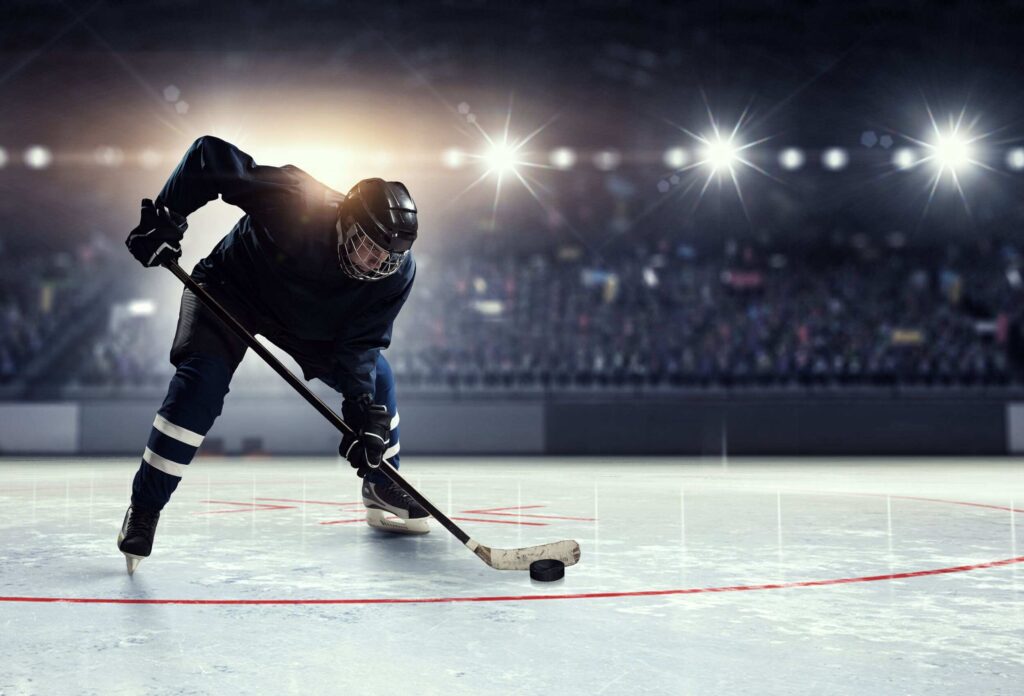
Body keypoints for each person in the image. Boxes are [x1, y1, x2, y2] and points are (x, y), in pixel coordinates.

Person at [117, 135, 428, 575]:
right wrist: (169, 215)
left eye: (389, 256)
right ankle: (144, 508)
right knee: (199, 388)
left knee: (377, 383)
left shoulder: (395, 275)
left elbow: (361, 343)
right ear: (345, 221)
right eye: (369, 246)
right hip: (231, 291)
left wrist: (360, 411)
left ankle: (383, 482)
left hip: (308, 323)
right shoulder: (297, 200)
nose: (377, 263)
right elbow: (209, 156)